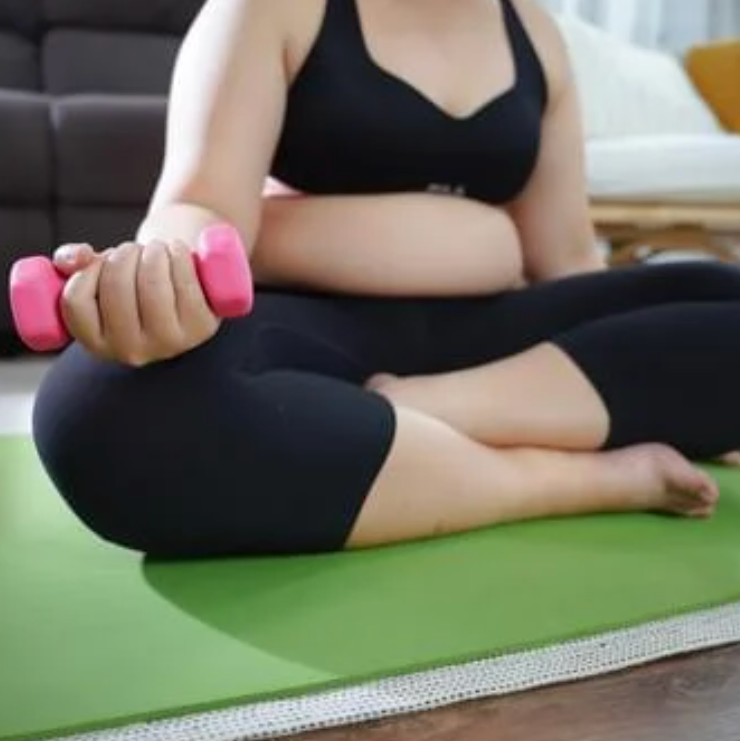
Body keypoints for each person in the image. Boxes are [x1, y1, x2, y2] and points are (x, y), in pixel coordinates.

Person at [32, 0, 740, 558]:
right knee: (98, 410)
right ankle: (566, 480)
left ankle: (429, 415)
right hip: (310, 331)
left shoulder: (536, 33)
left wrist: (662, 369)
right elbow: (202, 204)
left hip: (489, 349)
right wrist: (165, 284)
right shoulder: (273, 8)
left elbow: (567, 263)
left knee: (720, 299)